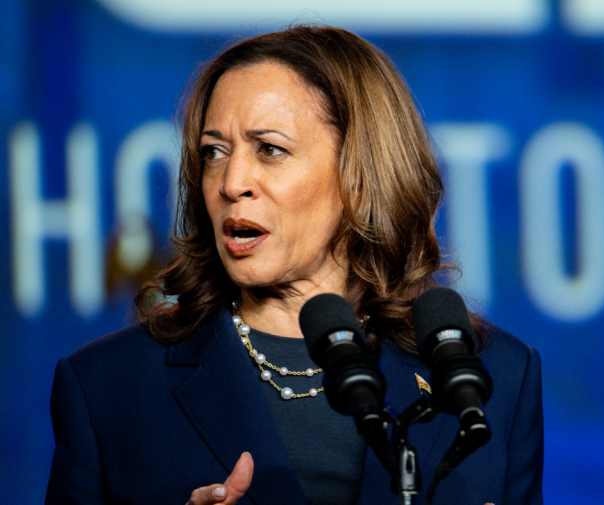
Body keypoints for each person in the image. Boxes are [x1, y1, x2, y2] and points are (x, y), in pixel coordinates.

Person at [45, 24, 543, 505]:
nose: (231, 180)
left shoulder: (491, 378)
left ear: (360, 174)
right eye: (214, 152)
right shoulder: (107, 387)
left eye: (270, 149)